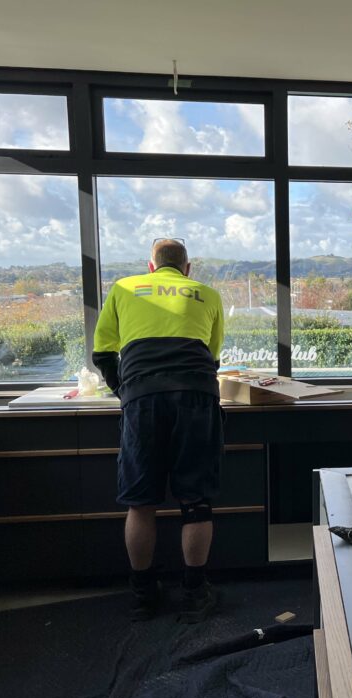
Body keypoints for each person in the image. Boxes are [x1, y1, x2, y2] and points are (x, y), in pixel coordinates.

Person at [92, 238, 225, 623]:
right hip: (196, 397)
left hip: (143, 399)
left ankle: (143, 596)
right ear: (187, 268)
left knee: (141, 503)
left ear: (150, 266)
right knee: (196, 501)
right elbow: (212, 356)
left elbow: (103, 353)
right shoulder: (207, 294)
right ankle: (195, 594)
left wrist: (126, 392)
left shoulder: (123, 288)